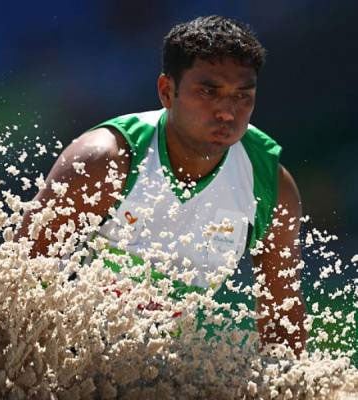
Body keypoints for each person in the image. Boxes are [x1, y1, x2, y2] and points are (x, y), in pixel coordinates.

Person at [17, 15, 307, 355]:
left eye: (242, 96)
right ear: (167, 92)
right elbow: (20, 276)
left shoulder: (270, 186)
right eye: (208, 92)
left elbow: (282, 319)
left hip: (170, 365)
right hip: (73, 353)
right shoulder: (104, 159)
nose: (228, 112)